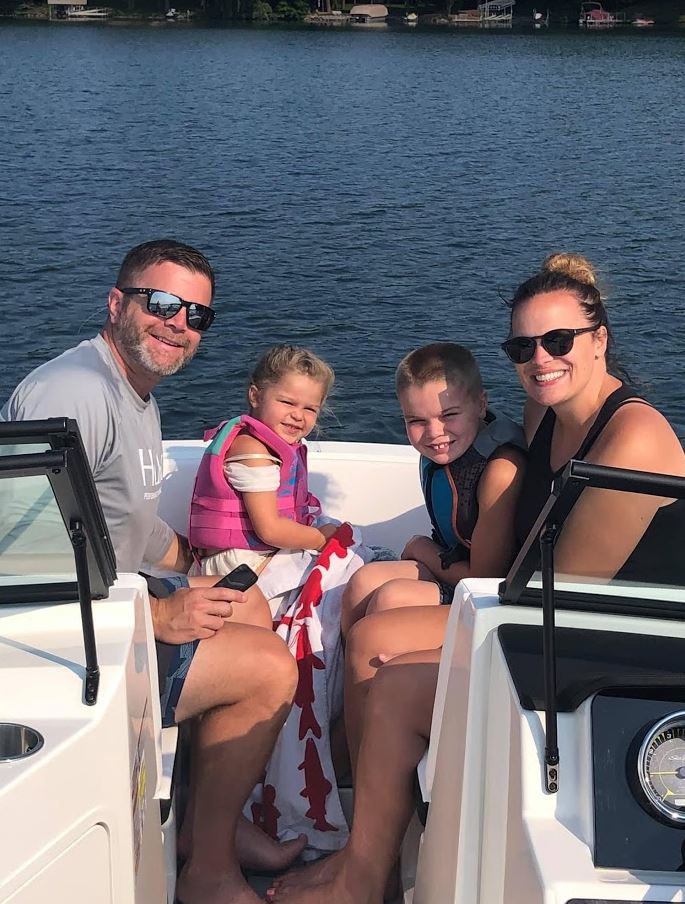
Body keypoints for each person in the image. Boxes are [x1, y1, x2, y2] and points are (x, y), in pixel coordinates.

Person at [1, 239, 303, 904]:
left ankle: (206, 827)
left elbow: (123, 517)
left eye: (197, 315)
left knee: (245, 605)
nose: (178, 323)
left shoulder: (134, 391)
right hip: (69, 641)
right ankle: (207, 873)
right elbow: (21, 563)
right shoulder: (72, 395)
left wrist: (191, 564)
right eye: (162, 304)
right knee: (268, 671)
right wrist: (160, 617)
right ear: (117, 303)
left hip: (111, 594)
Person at [506, 251, 685, 582]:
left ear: (599, 340)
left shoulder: (635, 439)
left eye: (558, 341)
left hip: (625, 624)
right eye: (523, 347)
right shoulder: (540, 412)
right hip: (541, 605)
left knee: (384, 629)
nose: (540, 359)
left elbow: (569, 589)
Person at [341, 342, 526, 636]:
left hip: (491, 600)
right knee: (361, 583)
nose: (434, 433)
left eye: (449, 415)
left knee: (390, 601)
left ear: (481, 404)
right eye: (416, 421)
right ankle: (338, 677)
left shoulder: (500, 471)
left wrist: (420, 548)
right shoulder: (447, 449)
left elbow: (484, 579)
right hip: (453, 568)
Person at [188, 344, 339, 625]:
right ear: (255, 396)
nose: (298, 415)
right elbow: (269, 529)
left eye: (310, 408)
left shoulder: (269, 443)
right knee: (342, 576)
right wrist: (322, 540)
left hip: (258, 555)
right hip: (240, 568)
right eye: (288, 402)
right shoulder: (253, 452)